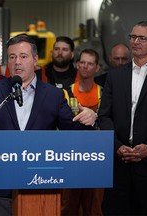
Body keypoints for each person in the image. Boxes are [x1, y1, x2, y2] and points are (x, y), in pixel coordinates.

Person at [0, 34, 97, 216]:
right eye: (12, 57)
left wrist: (91, 118)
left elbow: (74, 131)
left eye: (23, 56)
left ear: (35, 60)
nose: (17, 62)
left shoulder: (53, 95)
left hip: (39, 185)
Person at [98, 21, 147, 215]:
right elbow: (104, 116)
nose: (135, 41)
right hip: (120, 165)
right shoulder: (115, 76)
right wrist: (117, 146)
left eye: (142, 38)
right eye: (133, 37)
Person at [61, 49, 103, 216]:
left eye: (90, 63)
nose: (85, 66)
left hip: (97, 158)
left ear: (97, 68)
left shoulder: (103, 93)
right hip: (70, 156)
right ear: (77, 65)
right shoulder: (65, 92)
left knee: (94, 207)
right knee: (68, 206)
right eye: (82, 62)